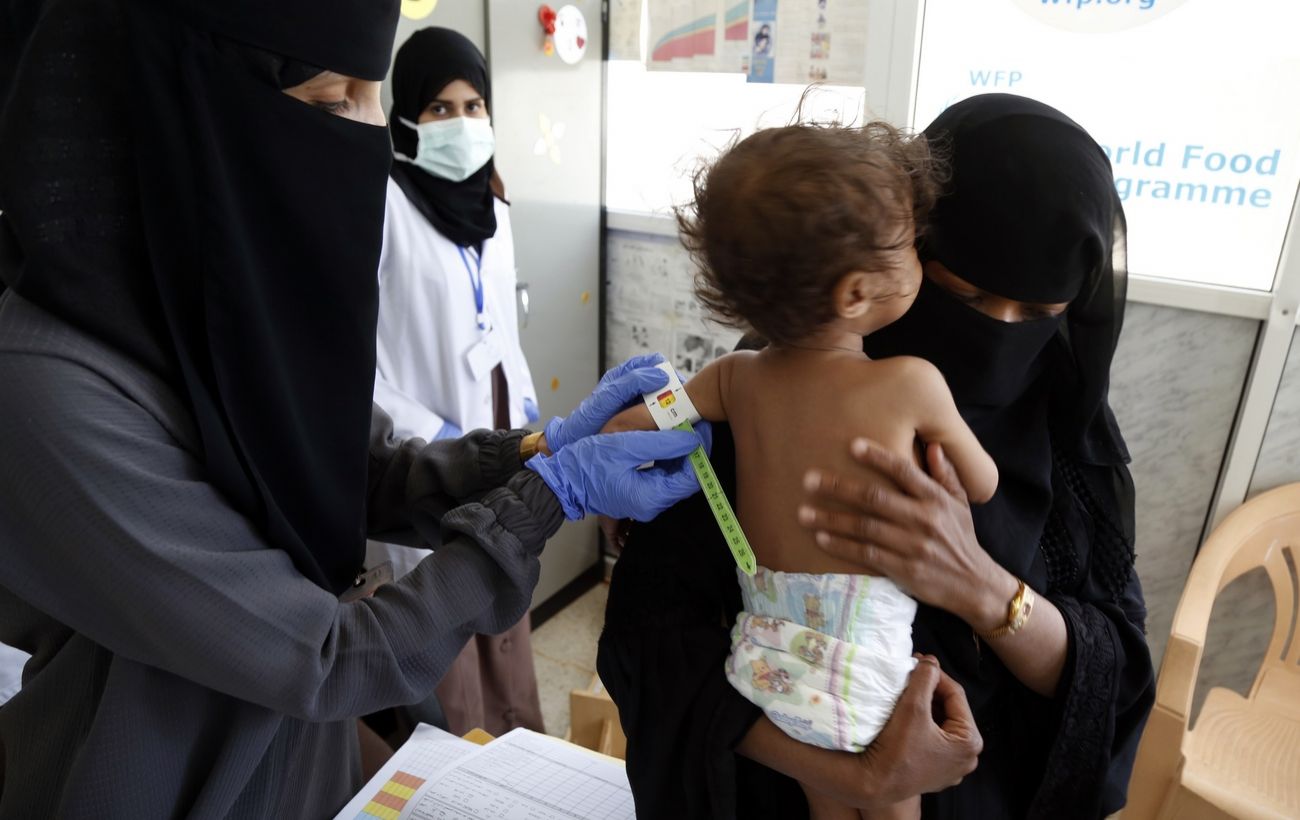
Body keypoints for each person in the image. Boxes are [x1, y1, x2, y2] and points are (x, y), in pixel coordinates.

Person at [0, 1, 705, 816]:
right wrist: (546, 498)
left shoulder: (230, 297)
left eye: (374, 94)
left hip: (307, 771)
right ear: (195, 109)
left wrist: (535, 452)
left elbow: (353, 470)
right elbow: (325, 658)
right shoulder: (48, 386)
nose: (371, 135)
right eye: (335, 100)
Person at [597, 93, 1155, 819]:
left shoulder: (1066, 428)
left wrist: (981, 586)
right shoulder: (773, 385)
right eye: (967, 295)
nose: (1000, 335)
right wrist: (856, 776)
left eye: (1040, 313)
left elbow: (1115, 677)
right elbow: (650, 639)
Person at [605, 122, 998, 820]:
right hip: (867, 661)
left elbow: (629, 427)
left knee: (831, 803)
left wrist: (614, 461)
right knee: (892, 802)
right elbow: (982, 484)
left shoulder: (733, 377)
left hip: (771, 655)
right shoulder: (912, 383)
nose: (919, 255)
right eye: (909, 244)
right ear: (856, 294)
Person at [366, 27, 544, 739]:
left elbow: (501, 322)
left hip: (496, 424)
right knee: (444, 611)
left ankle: (518, 749)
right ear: (407, 114)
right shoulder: (382, 206)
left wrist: (524, 404)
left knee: (502, 578)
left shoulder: (492, 204)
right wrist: (428, 431)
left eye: (474, 107)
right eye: (440, 108)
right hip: (424, 442)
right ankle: (459, 766)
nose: (462, 123)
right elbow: (355, 356)